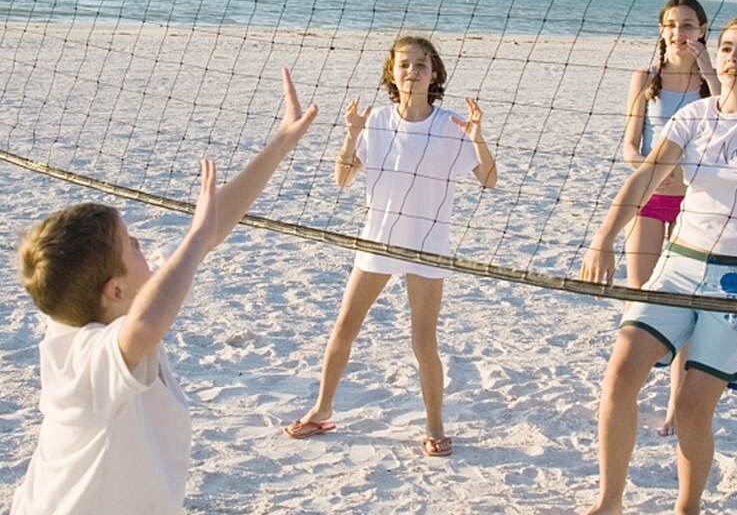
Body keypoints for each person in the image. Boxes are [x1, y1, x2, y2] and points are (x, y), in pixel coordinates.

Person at [13, 69, 318, 515]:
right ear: (115, 289)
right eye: (131, 243)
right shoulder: (78, 358)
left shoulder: (99, 300)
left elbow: (209, 231)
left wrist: (282, 142)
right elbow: (148, 323)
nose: (143, 246)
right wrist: (194, 239)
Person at [581, 17, 737, 515]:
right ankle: (609, 501)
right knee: (619, 376)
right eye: (726, 49)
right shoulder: (695, 117)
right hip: (678, 265)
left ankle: (688, 507)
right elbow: (645, 179)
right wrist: (603, 240)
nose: (732, 58)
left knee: (691, 410)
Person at [285, 35, 497, 458]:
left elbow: (489, 180)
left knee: (423, 343)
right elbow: (342, 179)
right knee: (344, 329)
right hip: (378, 239)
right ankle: (322, 408)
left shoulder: (451, 125)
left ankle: (435, 425)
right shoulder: (376, 120)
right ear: (391, 73)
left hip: (426, 245)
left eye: (421, 64)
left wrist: (477, 138)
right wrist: (351, 135)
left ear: (434, 72)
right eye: (403, 64)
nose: (412, 71)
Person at [620, 0, 719, 436]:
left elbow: (731, 116)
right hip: (649, 198)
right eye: (672, 25)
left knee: (688, 306)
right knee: (641, 297)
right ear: (661, 30)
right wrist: (650, 169)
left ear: (702, 30)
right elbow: (627, 144)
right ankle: (626, 391)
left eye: (688, 25)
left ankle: (677, 407)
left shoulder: (709, 83)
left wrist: (710, 65)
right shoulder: (646, 78)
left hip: (696, 205)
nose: (679, 32)